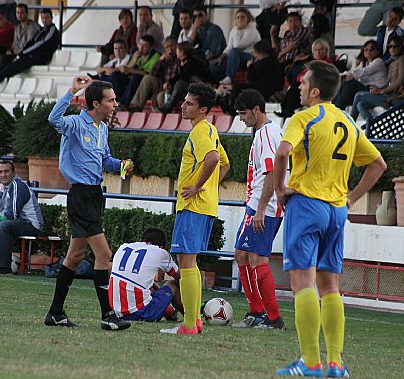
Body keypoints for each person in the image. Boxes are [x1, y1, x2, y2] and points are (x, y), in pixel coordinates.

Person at [273, 60, 387, 377]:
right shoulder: (349, 122)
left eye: (303, 81)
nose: (299, 85)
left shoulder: (304, 118)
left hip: (307, 204)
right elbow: (378, 164)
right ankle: (336, 363)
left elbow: (282, 153)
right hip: (337, 211)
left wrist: (281, 189)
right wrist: (351, 198)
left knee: (302, 282)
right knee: (330, 286)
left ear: (315, 91)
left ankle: (310, 362)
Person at [44, 77, 133, 331]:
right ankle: (108, 315)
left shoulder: (102, 128)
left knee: (74, 257)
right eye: (111, 100)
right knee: (104, 255)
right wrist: (72, 91)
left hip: (95, 194)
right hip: (80, 196)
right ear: (96, 103)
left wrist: (120, 165)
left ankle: (55, 313)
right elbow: (54, 120)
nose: (116, 103)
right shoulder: (75, 123)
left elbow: (104, 159)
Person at [160, 83, 230, 335]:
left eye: (189, 103)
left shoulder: (200, 132)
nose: (183, 105)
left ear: (202, 109)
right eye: (184, 101)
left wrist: (198, 186)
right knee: (191, 263)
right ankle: (195, 321)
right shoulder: (210, 129)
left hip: (193, 205)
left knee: (186, 263)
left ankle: (189, 324)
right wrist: (210, 187)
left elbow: (213, 159)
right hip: (205, 205)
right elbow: (225, 163)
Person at [230, 89, 285, 330]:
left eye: (243, 114)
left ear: (256, 110)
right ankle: (256, 311)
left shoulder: (266, 134)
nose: (241, 119)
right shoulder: (268, 131)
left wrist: (261, 209)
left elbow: (271, 172)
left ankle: (272, 318)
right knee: (242, 254)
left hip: (265, 206)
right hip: (258, 204)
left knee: (257, 258)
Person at [0, 160, 44, 275]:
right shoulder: (0, 188)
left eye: (6, 171)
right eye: (0, 172)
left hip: (31, 224)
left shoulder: (18, 186)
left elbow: (12, 215)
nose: (3, 175)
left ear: (13, 172)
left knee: (3, 225)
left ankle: (3, 268)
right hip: (14, 223)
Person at [109, 227, 184, 322]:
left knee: (147, 286)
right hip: (141, 313)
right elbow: (180, 277)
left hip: (116, 312)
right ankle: (190, 314)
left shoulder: (123, 247)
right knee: (172, 284)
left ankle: (168, 311)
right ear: (161, 246)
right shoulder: (160, 252)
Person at [0, 9, 60, 93]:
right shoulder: (42, 30)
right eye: (43, 18)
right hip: (29, 55)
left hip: (38, 57)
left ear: (51, 18)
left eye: (47, 18)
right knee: (4, 62)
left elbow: (40, 44)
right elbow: (31, 42)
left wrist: (22, 53)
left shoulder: (52, 30)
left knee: (10, 68)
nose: (44, 20)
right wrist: (21, 53)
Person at [351, 36, 404, 121]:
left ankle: (350, 123)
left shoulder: (402, 60)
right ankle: (371, 126)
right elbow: (387, 82)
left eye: (394, 46)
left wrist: (382, 91)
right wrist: (377, 89)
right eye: (389, 47)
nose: (392, 49)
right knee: (360, 104)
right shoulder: (392, 63)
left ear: (400, 47)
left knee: (359, 95)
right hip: (387, 95)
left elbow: (400, 81)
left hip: (396, 97)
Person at [277, 38, 335, 119]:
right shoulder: (310, 62)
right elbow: (299, 76)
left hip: (317, 87)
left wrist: (303, 79)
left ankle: (287, 110)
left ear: (325, 51)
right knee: (296, 85)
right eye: (316, 50)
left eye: (320, 50)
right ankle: (286, 109)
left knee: (297, 87)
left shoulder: (327, 63)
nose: (318, 52)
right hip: (308, 84)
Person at [107, 35, 161, 107]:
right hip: (131, 79)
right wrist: (135, 60)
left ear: (151, 48)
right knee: (115, 75)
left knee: (137, 77)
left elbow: (147, 73)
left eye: (145, 46)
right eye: (140, 45)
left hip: (144, 82)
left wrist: (130, 70)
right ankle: (116, 101)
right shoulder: (137, 54)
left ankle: (123, 103)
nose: (141, 48)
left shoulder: (156, 56)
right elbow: (128, 68)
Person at [158, 41, 212, 114]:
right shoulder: (182, 62)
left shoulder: (193, 62)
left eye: (177, 50)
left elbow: (184, 77)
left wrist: (181, 66)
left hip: (198, 89)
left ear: (182, 52)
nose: (176, 52)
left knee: (179, 84)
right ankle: (165, 111)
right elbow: (176, 77)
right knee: (167, 90)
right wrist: (169, 83)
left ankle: (168, 107)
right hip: (188, 89)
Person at [210, 8, 261, 85]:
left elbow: (238, 45)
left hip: (250, 57)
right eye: (238, 17)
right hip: (235, 57)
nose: (240, 19)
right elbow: (229, 47)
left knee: (234, 51)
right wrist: (222, 56)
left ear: (247, 19)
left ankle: (229, 77)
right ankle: (221, 86)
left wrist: (238, 30)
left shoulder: (252, 30)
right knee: (214, 67)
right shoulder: (234, 30)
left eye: (243, 17)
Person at [128, 36, 178, 112]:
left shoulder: (179, 58)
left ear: (177, 46)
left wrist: (169, 83)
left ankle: (163, 117)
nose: (170, 49)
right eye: (167, 47)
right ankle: (136, 106)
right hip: (162, 85)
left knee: (160, 97)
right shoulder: (164, 59)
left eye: (172, 46)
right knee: (147, 78)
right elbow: (153, 73)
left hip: (173, 87)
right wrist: (161, 60)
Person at [334, 40, 387, 111]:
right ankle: (334, 108)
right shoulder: (364, 63)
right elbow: (353, 71)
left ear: (377, 51)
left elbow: (362, 72)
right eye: (366, 49)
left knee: (351, 84)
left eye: (371, 49)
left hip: (375, 90)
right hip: (366, 89)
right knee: (342, 85)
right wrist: (342, 77)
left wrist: (347, 78)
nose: (368, 51)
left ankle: (337, 110)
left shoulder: (378, 62)